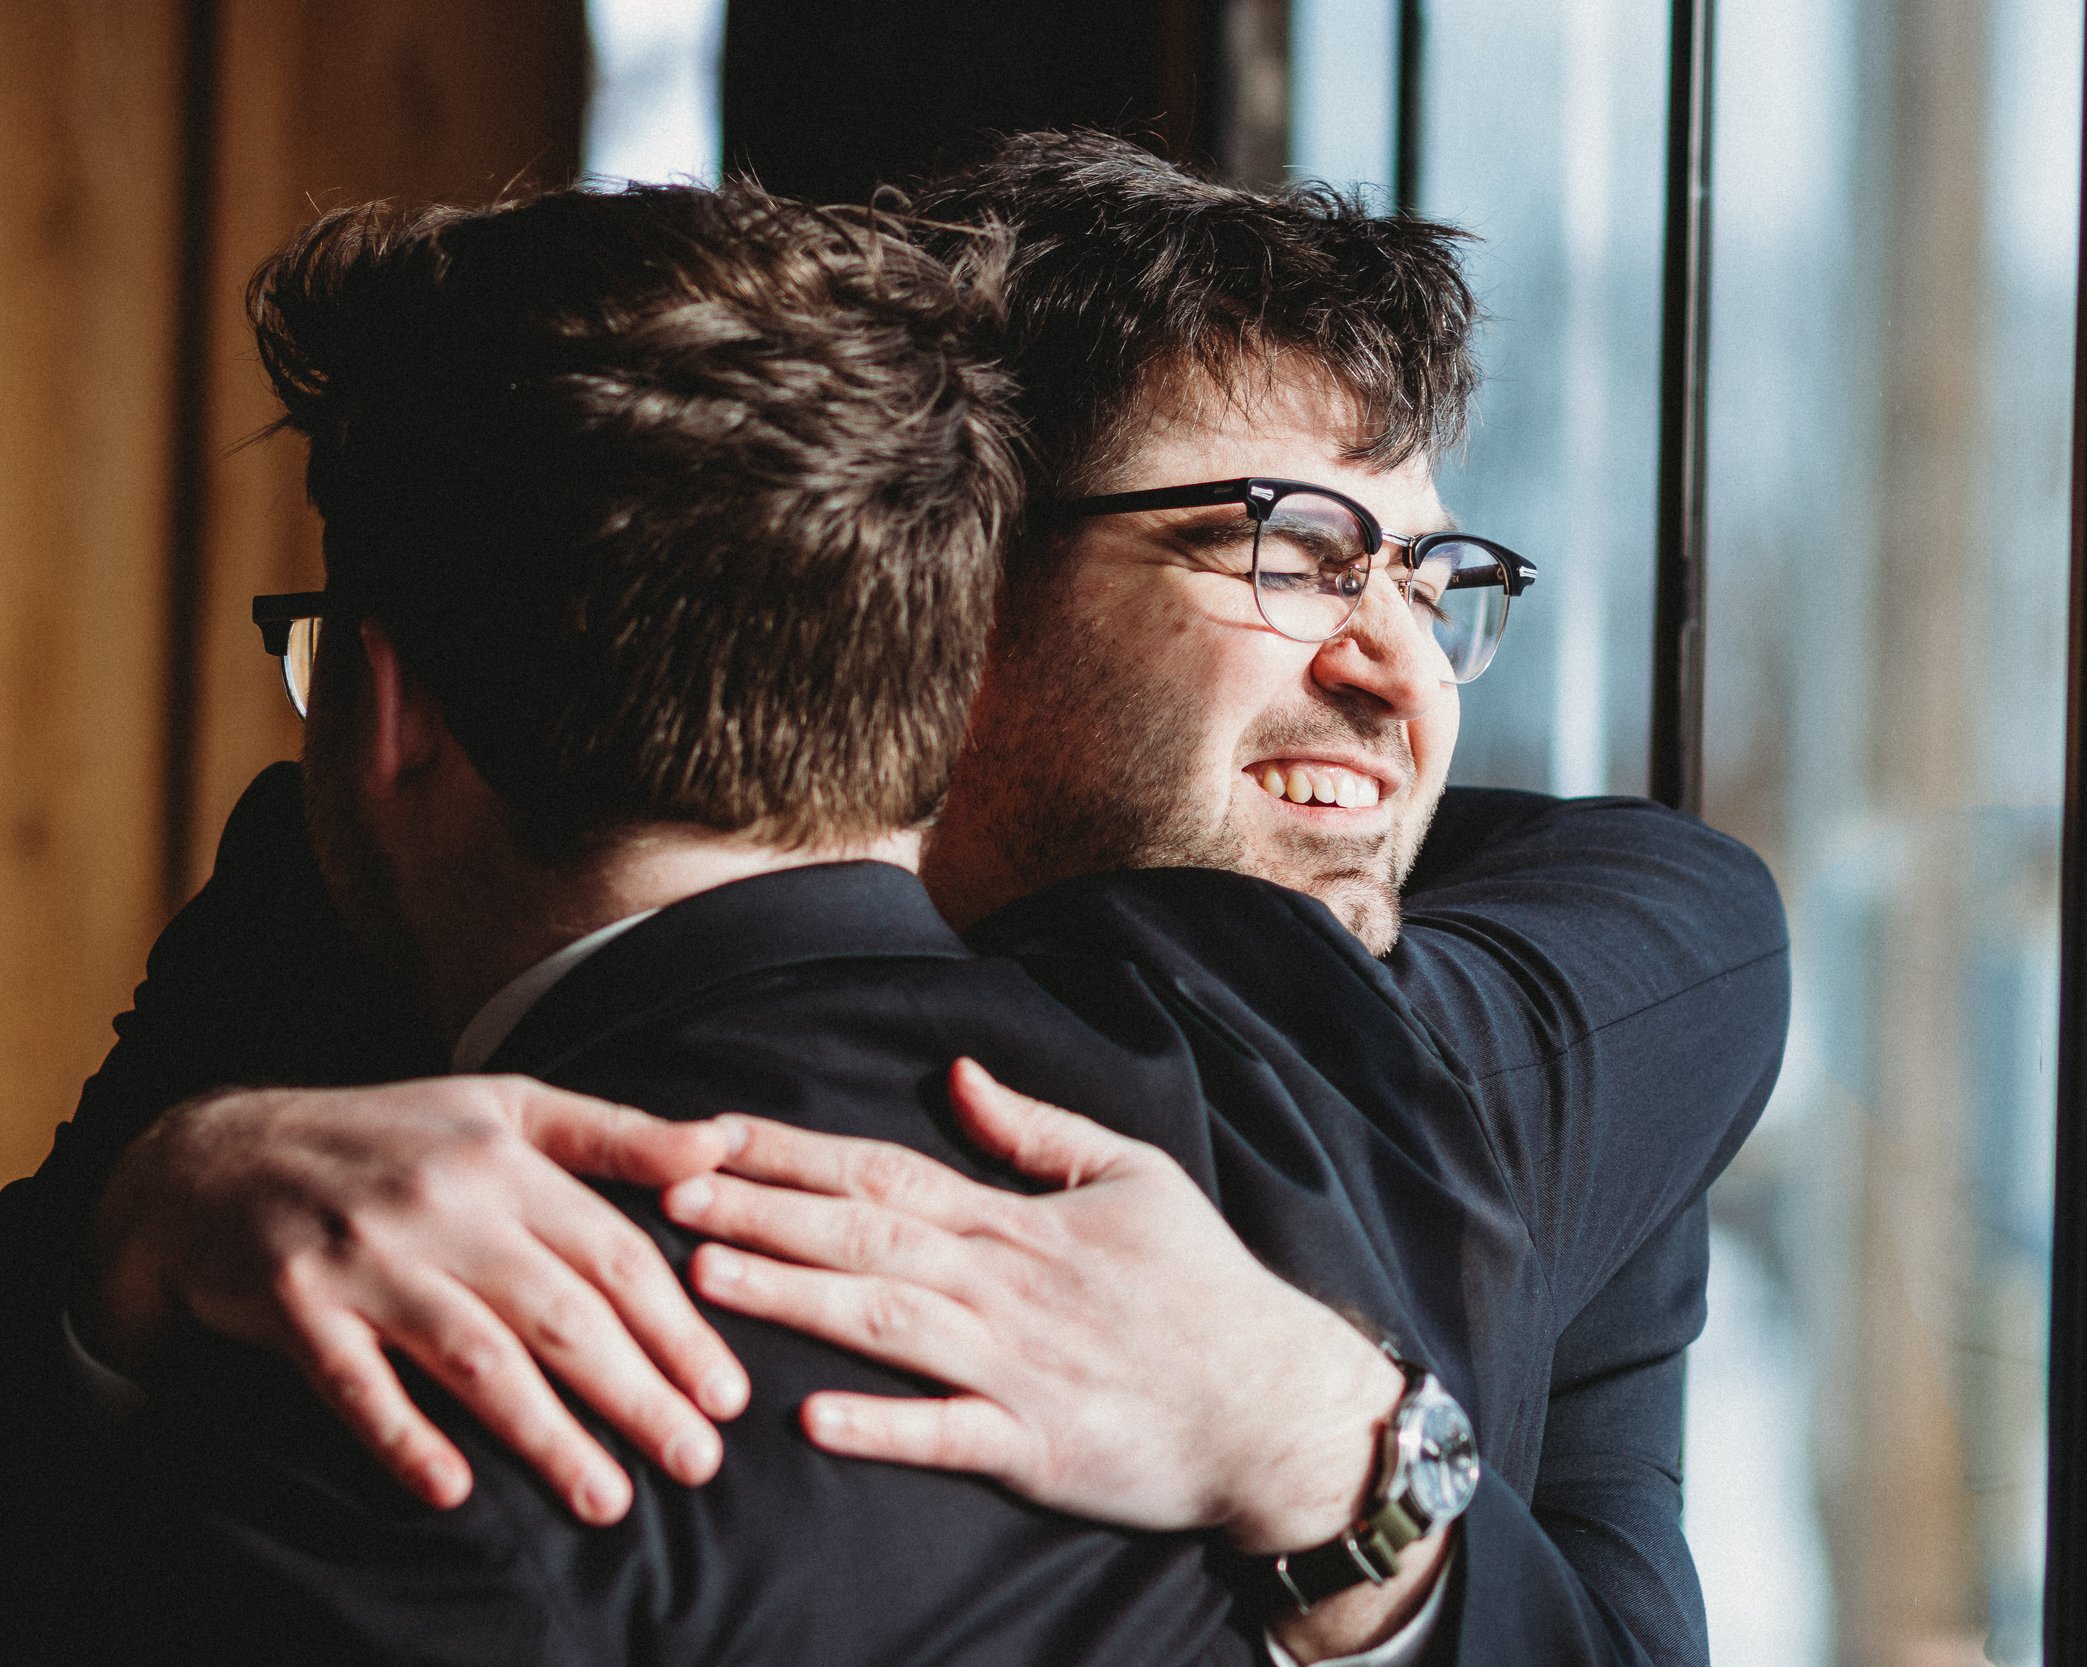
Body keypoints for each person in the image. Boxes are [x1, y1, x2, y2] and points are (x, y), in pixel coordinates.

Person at [2, 137, 1788, 1665]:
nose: (1403, 662)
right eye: (1285, 544)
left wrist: (1334, 1443)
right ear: (959, 596)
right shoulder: (329, 927)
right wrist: (149, 1220)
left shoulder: (1389, 1032)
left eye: (1433, 574)